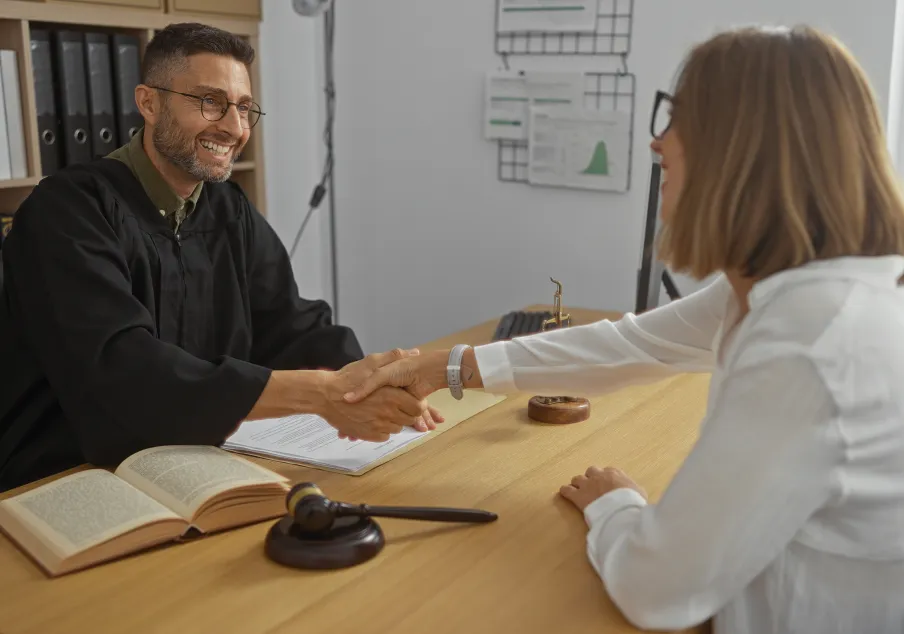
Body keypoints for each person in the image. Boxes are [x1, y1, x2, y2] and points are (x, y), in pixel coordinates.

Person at [340, 25, 904, 633]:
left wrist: (615, 505)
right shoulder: (798, 287)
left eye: (679, 117)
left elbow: (656, 591)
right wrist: (444, 366)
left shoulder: (811, 342)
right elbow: (632, 343)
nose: (659, 142)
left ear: (741, 148)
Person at [0, 23, 438, 493]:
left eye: (245, 108)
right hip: (66, 477)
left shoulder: (228, 209)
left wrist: (372, 384)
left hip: (192, 460)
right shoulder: (66, 213)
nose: (234, 127)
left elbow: (292, 327)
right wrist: (321, 394)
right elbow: (122, 368)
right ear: (149, 103)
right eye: (210, 102)